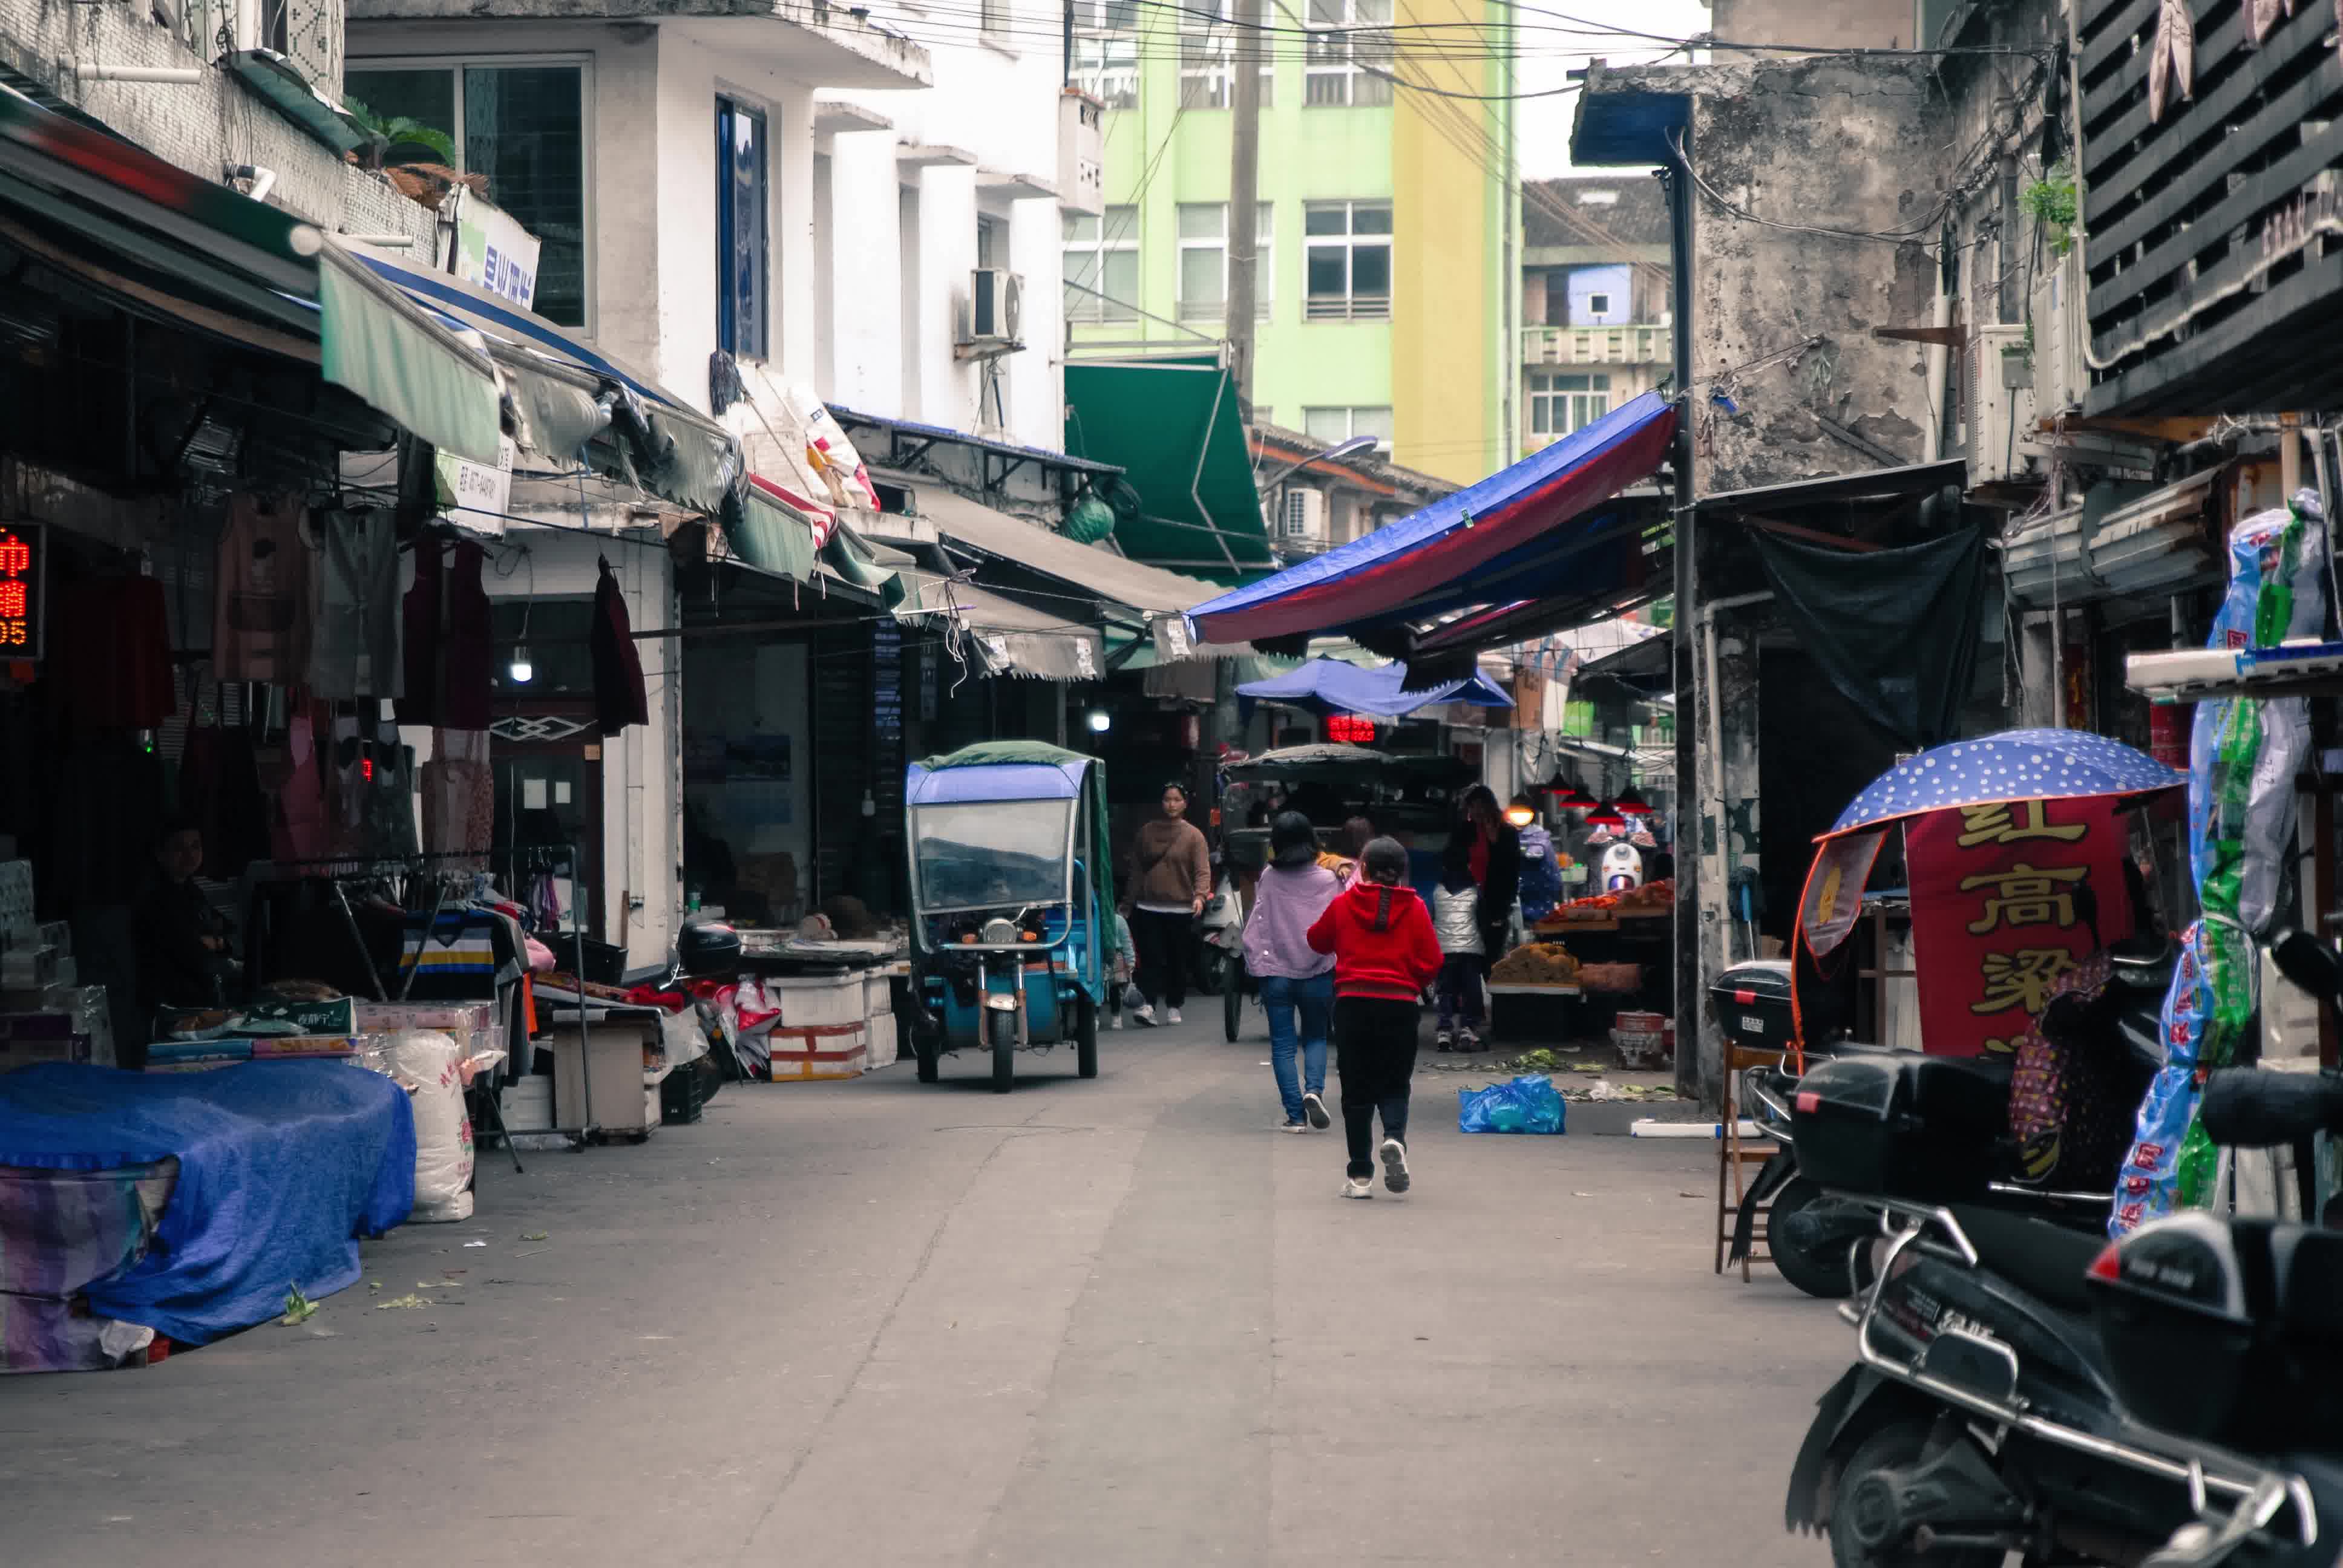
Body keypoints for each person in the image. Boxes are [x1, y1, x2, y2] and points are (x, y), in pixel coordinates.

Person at [1307, 836, 1442, 1199]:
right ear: (1402, 872)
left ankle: (1360, 1177)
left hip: (1353, 1005)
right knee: (1396, 1083)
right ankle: (1395, 1139)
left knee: (1356, 1092)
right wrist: (1410, 980)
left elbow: (1316, 941)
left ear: (1363, 868)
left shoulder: (1343, 904)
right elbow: (1433, 961)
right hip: (1400, 1005)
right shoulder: (1415, 908)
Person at [1243, 811, 1343, 1133]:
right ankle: (1314, 1091)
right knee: (1315, 1037)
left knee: (1283, 1046)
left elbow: (1258, 924)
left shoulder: (1269, 878)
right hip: (1319, 972)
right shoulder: (1331, 881)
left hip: (1277, 975)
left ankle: (1295, 1117)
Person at [132, 817, 237, 1015]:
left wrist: (216, 942)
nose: (190, 855)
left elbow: (226, 928)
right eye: (180, 848)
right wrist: (213, 943)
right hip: (172, 1004)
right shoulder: (155, 899)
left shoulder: (191, 890)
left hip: (200, 992)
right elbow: (192, 953)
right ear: (161, 854)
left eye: (196, 847)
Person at [1126, 781, 1210, 1027]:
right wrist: (1128, 903)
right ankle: (1148, 1005)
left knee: (1177, 959)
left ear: (1185, 804)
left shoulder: (1194, 836)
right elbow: (1136, 871)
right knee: (1150, 959)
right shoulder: (1147, 832)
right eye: (1167, 799)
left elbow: (1202, 871)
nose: (1171, 804)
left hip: (1181, 908)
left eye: (1176, 800)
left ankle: (1174, 1004)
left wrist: (1200, 896)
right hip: (1148, 906)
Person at [1457, 785, 1522, 969]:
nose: (1477, 811)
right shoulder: (1465, 832)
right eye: (1473, 806)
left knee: (1492, 956)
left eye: (1481, 805)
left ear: (1490, 806)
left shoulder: (1507, 833)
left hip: (1495, 903)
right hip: (1467, 902)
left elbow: (1512, 869)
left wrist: (1495, 842)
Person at [1431, 842, 1486, 1052]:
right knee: (1470, 989)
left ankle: (1444, 1031)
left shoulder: (1437, 891)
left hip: (1443, 949)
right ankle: (1467, 1028)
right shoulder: (1474, 890)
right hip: (1470, 949)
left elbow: (1433, 918)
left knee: (1445, 990)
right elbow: (1482, 918)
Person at [1107, 909, 1138, 1030]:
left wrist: (1131, 961)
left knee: (1114, 988)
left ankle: (1116, 1016)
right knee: (1110, 989)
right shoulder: (1119, 919)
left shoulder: (1119, 920)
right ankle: (1112, 1017)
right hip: (1110, 955)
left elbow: (1126, 942)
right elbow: (1127, 942)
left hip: (1116, 955)